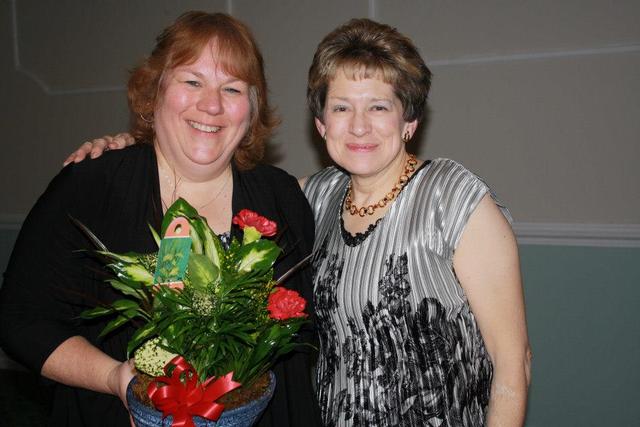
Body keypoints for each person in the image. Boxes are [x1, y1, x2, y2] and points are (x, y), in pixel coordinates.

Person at [66, 18, 532, 427]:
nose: (359, 126)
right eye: (342, 107)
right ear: (321, 123)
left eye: (379, 106)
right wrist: (137, 146)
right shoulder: (312, 197)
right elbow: (212, 172)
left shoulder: (453, 200)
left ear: (408, 120)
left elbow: (514, 365)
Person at [0, 12, 321, 427]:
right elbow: (21, 320)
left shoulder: (280, 196)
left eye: (233, 88)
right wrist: (116, 378)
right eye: (192, 81)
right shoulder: (92, 185)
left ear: (252, 107)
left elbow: (302, 338)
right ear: (155, 91)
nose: (212, 104)